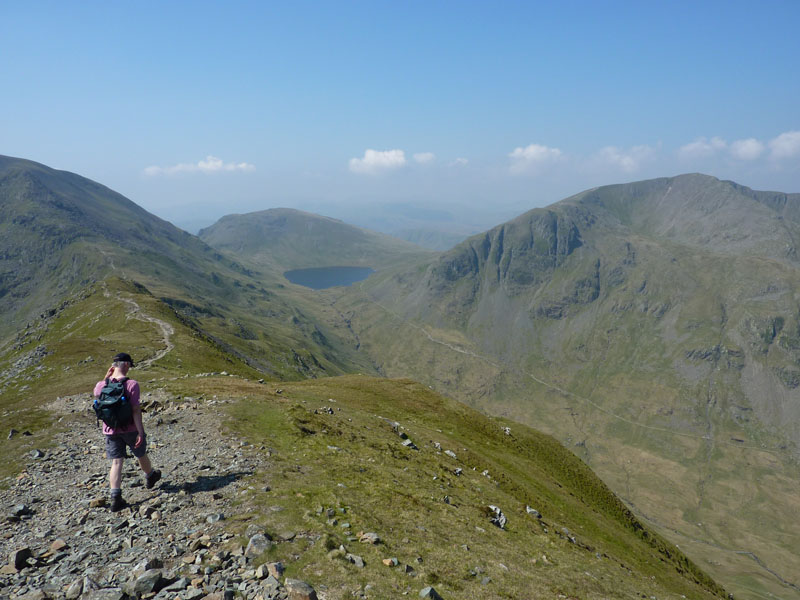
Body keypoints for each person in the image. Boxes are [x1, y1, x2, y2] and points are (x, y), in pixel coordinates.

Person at [93, 352, 161, 512]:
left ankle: (115, 497)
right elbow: (136, 410)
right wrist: (140, 432)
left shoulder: (101, 385)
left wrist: (107, 377)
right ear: (126, 365)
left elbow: (97, 393)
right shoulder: (132, 385)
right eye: (129, 365)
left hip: (110, 430)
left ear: (113, 366)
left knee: (116, 462)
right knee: (140, 453)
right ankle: (150, 475)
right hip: (130, 428)